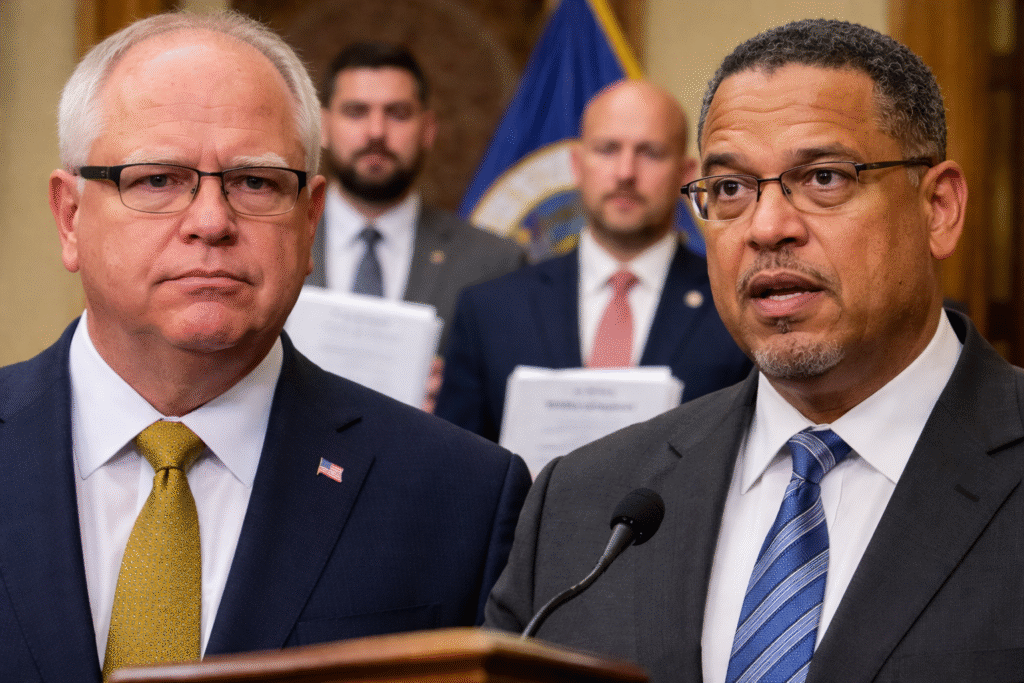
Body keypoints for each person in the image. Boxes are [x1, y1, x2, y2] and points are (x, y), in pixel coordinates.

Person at [485, 19, 1023, 683]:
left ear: (938, 207)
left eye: (824, 177)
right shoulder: (584, 503)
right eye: (732, 189)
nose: (767, 227)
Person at [0, 11, 531, 681]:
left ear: (309, 222)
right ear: (70, 217)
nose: (212, 222)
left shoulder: (460, 496)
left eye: (256, 182)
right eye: (157, 179)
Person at [435, 80, 751, 442]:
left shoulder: (733, 305)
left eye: (650, 152)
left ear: (685, 173)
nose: (625, 173)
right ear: (577, 165)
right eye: (607, 149)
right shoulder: (490, 310)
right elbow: (460, 468)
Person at [310, 41, 525, 357]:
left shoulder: (493, 263)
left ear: (428, 129)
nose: (376, 132)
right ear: (323, 126)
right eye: (356, 112)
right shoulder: (274, 243)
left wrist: (454, 391)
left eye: (397, 113)